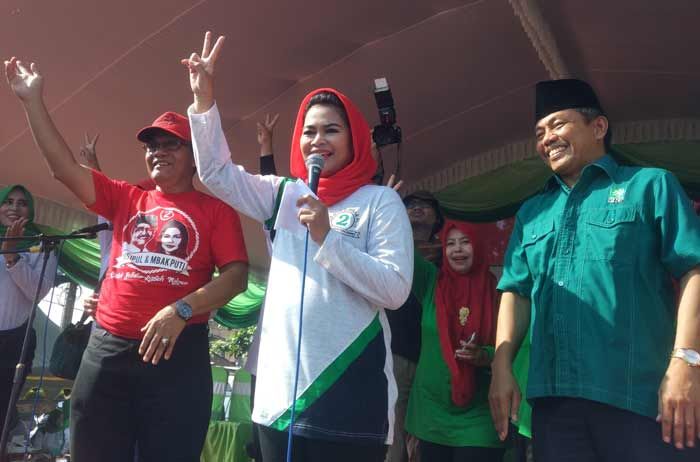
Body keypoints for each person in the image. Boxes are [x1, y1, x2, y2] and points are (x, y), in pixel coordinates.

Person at [5, 56, 249, 461]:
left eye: (171, 143)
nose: (157, 151)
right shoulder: (126, 197)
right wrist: (32, 101)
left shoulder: (216, 211)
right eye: (151, 145)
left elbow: (237, 276)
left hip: (177, 353)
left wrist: (182, 309)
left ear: (193, 155)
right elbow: (62, 168)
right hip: (107, 349)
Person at [183, 32, 413, 461]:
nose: (318, 140)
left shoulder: (380, 201)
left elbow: (395, 290)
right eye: (309, 131)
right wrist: (203, 101)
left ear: (355, 137)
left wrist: (328, 236)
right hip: (280, 400)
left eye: (331, 129)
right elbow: (214, 174)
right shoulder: (283, 195)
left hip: (351, 390)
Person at [489, 78, 700, 461]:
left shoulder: (650, 186)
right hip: (554, 406)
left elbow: (694, 270)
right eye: (539, 133)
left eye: (558, 125)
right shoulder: (532, 213)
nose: (546, 139)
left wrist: (687, 362)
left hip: (640, 396)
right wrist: (501, 367)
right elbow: (515, 291)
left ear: (598, 127)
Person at [405, 220, 504, 461]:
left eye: (465, 242)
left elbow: (510, 344)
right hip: (431, 413)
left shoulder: (499, 292)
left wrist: (484, 355)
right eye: (450, 244)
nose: (457, 249)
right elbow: (403, 248)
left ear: (478, 247)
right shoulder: (430, 282)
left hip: (478, 415)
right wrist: (385, 207)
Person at [385, 189, 443, 462]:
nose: (417, 209)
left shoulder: (451, 256)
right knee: (393, 435)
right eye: (410, 205)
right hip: (396, 353)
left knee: (427, 441)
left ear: (438, 218)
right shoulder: (390, 248)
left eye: (425, 206)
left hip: (435, 361)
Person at [0, 185, 58, 434]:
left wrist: (12, 255)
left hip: (14, 342)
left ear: (31, 210)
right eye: (9, 201)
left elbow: (37, 292)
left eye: (22, 203)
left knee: (2, 412)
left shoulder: (43, 246)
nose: (14, 208)